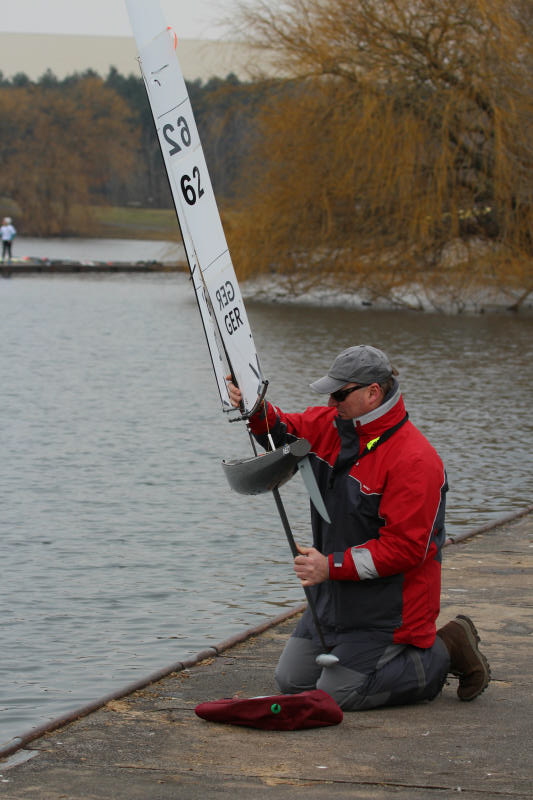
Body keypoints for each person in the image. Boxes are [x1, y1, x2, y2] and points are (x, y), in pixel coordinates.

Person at [228, 345, 490, 710]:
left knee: (338, 695)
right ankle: (365, 649)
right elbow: (281, 432)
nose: (332, 402)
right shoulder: (329, 426)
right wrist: (255, 409)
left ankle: (445, 649)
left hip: (389, 614)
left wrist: (329, 566)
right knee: (291, 682)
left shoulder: (415, 460)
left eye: (339, 393)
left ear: (372, 393)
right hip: (331, 603)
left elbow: (405, 549)